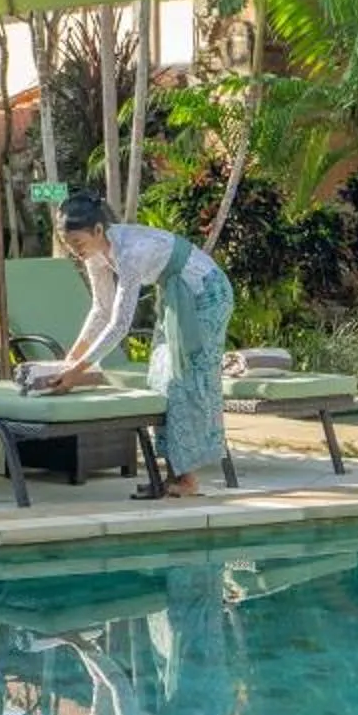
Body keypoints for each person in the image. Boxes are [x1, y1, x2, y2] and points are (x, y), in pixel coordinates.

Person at [50, 190, 235, 498]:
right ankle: (176, 477)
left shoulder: (131, 252)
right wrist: (70, 362)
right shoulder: (94, 255)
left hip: (206, 293)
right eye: (69, 245)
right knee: (161, 378)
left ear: (98, 230)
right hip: (177, 295)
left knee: (183, 380)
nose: (75, 252)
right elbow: (101, 310)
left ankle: (187, 479)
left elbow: (120, 323)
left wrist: (77, 371)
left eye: (78, 243)